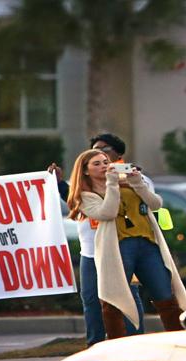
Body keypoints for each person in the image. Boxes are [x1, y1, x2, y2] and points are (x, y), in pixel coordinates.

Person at [71, 148, 186, 335]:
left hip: (147, 244)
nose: (103, 166)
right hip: (118, 248)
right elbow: (107, 213)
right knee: (114, 299)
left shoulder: (128, 183)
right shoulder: (86, 196)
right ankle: (117, 346)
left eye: (105, 162)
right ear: (85, 171)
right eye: (97, 164)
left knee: (165, 295)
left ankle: (180, 341)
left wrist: (138, 183)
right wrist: (112, 184)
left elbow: (156, 204)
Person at [69, 133, 145, 345]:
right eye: (95, 153)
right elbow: (73, 197)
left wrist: (127, 180)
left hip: (119, 251)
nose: (102, 157)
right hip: (90, 253)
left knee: (127, 297)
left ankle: (135, 343)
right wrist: (56, 183)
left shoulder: (128, 178)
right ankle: (95, 345)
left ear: (118, 155)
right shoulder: (83, 189)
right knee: (92, 300)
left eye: (105, 152)